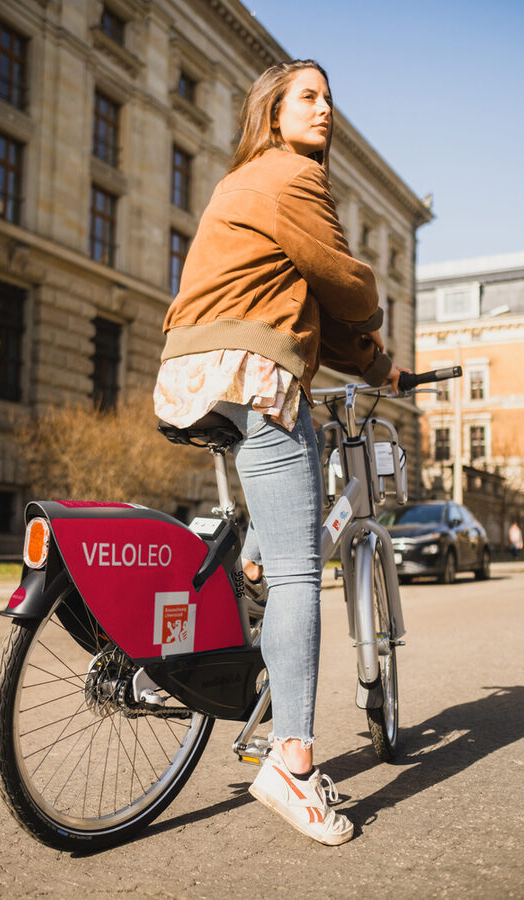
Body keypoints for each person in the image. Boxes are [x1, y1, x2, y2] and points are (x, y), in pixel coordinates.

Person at [154, 59, 408, 844]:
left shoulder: (241, 184)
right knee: (306, 569)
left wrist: (375, 366)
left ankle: (240, 579)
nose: (325, 109)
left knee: (273, 537)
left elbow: (315, 313)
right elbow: (350, 290)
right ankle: (291, 764)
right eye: (309, 96)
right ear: (272, 110)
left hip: (193, 371)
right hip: (255, 374)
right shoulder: (292, 176)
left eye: (331, 98)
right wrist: (370, 307)